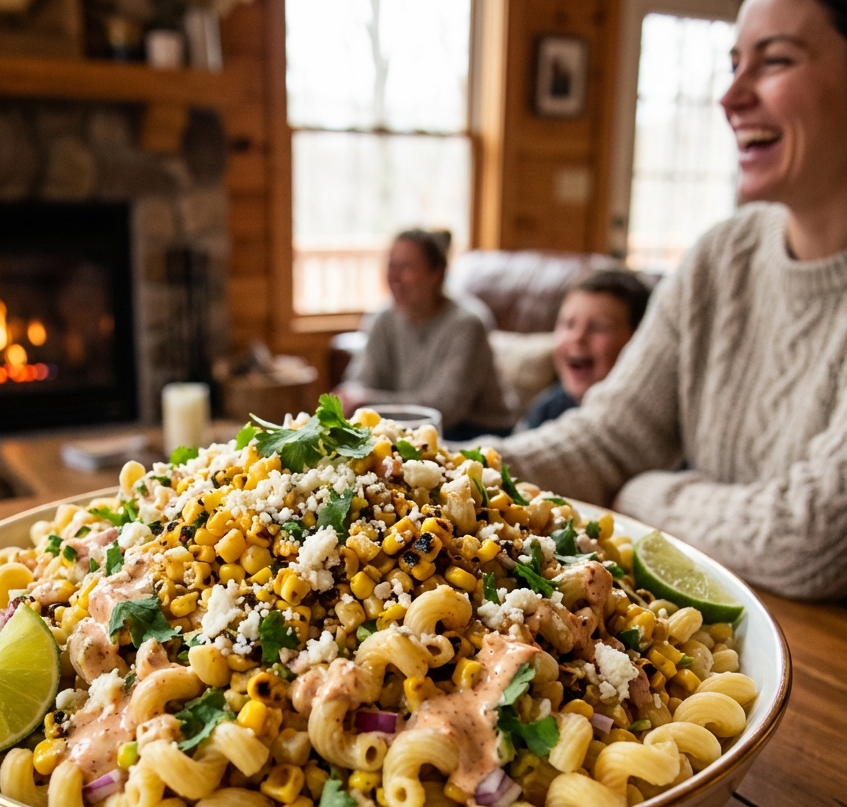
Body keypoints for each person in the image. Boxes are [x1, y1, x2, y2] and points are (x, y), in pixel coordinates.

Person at [493, 0, 847, 600]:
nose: (731, 97)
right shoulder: (722, 255)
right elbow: (608, 441)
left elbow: (811, 540)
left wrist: (639, 494)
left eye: (776, 60)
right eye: (734, 64)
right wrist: (429, 466)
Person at [336, 229, 511, 440]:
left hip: (474, 431)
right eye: (391, 265)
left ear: (437, 273)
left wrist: (366, 401)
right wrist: (352, 397)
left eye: (406, 267)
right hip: (410, 428)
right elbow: (359, 381)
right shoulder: (382, 319)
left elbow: (446, 410)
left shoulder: (467, 324)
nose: (394, 277)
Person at [517, 269, 651, 431]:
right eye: (568, 324)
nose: (577, 337)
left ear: (638, 341)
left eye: (599, 327)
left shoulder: (649, 419)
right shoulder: (548, 408)